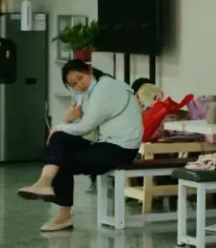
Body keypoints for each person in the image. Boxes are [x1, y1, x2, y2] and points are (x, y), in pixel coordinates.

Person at [18, 60, 143, 231]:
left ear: (89, 70)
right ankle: (44, 182)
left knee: (60, 153)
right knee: (60, 141)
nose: (79, 85)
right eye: (74, 84)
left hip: (121, 150)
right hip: (103, 143)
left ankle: (61, 212)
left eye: (80, 78)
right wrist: (65, 123)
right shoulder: (86, 93)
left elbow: (85, 128)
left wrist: (59, 126)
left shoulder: (107, 88)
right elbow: (85, 132)